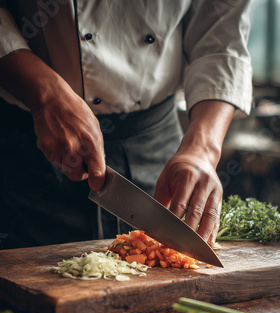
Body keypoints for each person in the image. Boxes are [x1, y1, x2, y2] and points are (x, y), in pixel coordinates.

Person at [0, 0, 252, 250]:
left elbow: (222, 36)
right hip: (29, 150)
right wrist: (44, 94)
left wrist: (202, 150)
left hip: (158, 145)